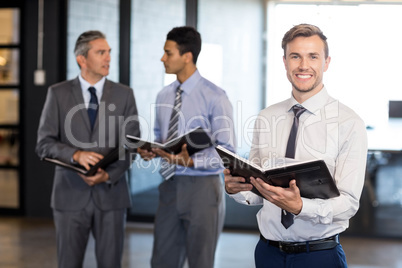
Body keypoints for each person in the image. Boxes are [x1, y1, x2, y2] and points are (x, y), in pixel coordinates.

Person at [224, 24, 368, 268]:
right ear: (285, 62)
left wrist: (302, 207)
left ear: (327, 62)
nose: (303, 65)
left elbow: (349, 203)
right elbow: (260, 189)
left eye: (313, 56)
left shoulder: (349, 123)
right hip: (267, 253)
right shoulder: (267, 117)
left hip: (319, 256)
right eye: (295, 56)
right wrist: (237, 188)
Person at [36, 30, 140, 268]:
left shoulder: (125, 95)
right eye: (101, 52)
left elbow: (132, 145)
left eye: (109, 52)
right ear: (82, 59)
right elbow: (44, 144)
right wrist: (75, 154)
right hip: (69, 197)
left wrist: (110, 174)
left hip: (112, 196)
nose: (108, 58)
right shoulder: (57, 93)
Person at [136, 26, 236, 268]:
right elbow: (161, 136)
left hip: (202, 189)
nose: (163, 58)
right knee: (162, 260)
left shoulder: (215, 97)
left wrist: (192, 161)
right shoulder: (163, 95)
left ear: (187, 56)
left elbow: (228, 153)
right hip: (169, 187)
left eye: (168, 53)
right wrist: (152, 150)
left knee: (200, 261)